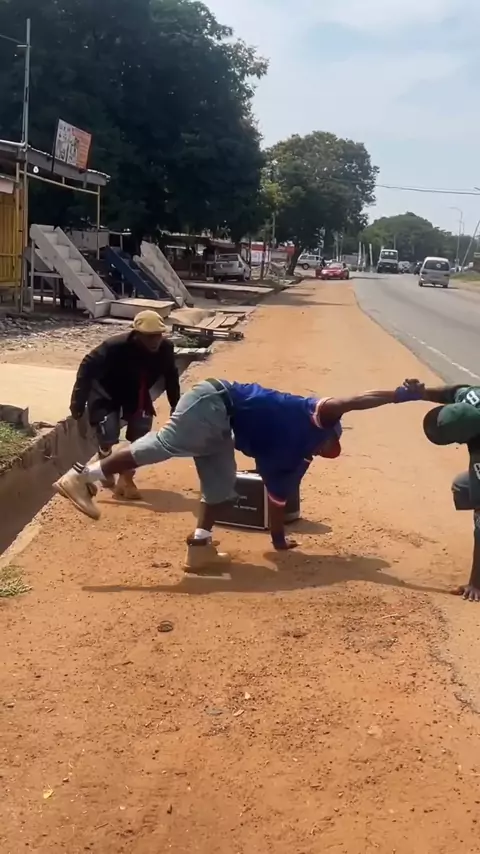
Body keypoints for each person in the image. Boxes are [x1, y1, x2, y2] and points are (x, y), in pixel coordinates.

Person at [55, 377, 424, 573]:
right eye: (326, 446)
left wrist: (279, 542)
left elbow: (277, 497)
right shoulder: (313, 414)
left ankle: (200, 550)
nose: (320, 452)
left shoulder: (294, 456)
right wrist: (399, 394)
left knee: (220, 485)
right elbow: (354, 401)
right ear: (328, 434)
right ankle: (83, 476)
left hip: (222, 425)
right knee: (165, 444)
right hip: (215, 399)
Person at [69, 310, 180, 501]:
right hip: (106, 391)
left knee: (141, 436)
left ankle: (126, 479)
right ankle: (104, 456)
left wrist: (175, 404)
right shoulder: (115, 346)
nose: (155, 341)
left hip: (136, 392)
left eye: (158, 335)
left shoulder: (166, 349)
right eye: (149, 336)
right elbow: (87, 366)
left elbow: (171, 376)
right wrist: (77, 402)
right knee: (108, 433)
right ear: (137, 335)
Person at [422, 382, 480, 602]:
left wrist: (476, 583)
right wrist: (418, 392)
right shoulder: (472, 397)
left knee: (473, 498)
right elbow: (450, 392)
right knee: (463, 487)